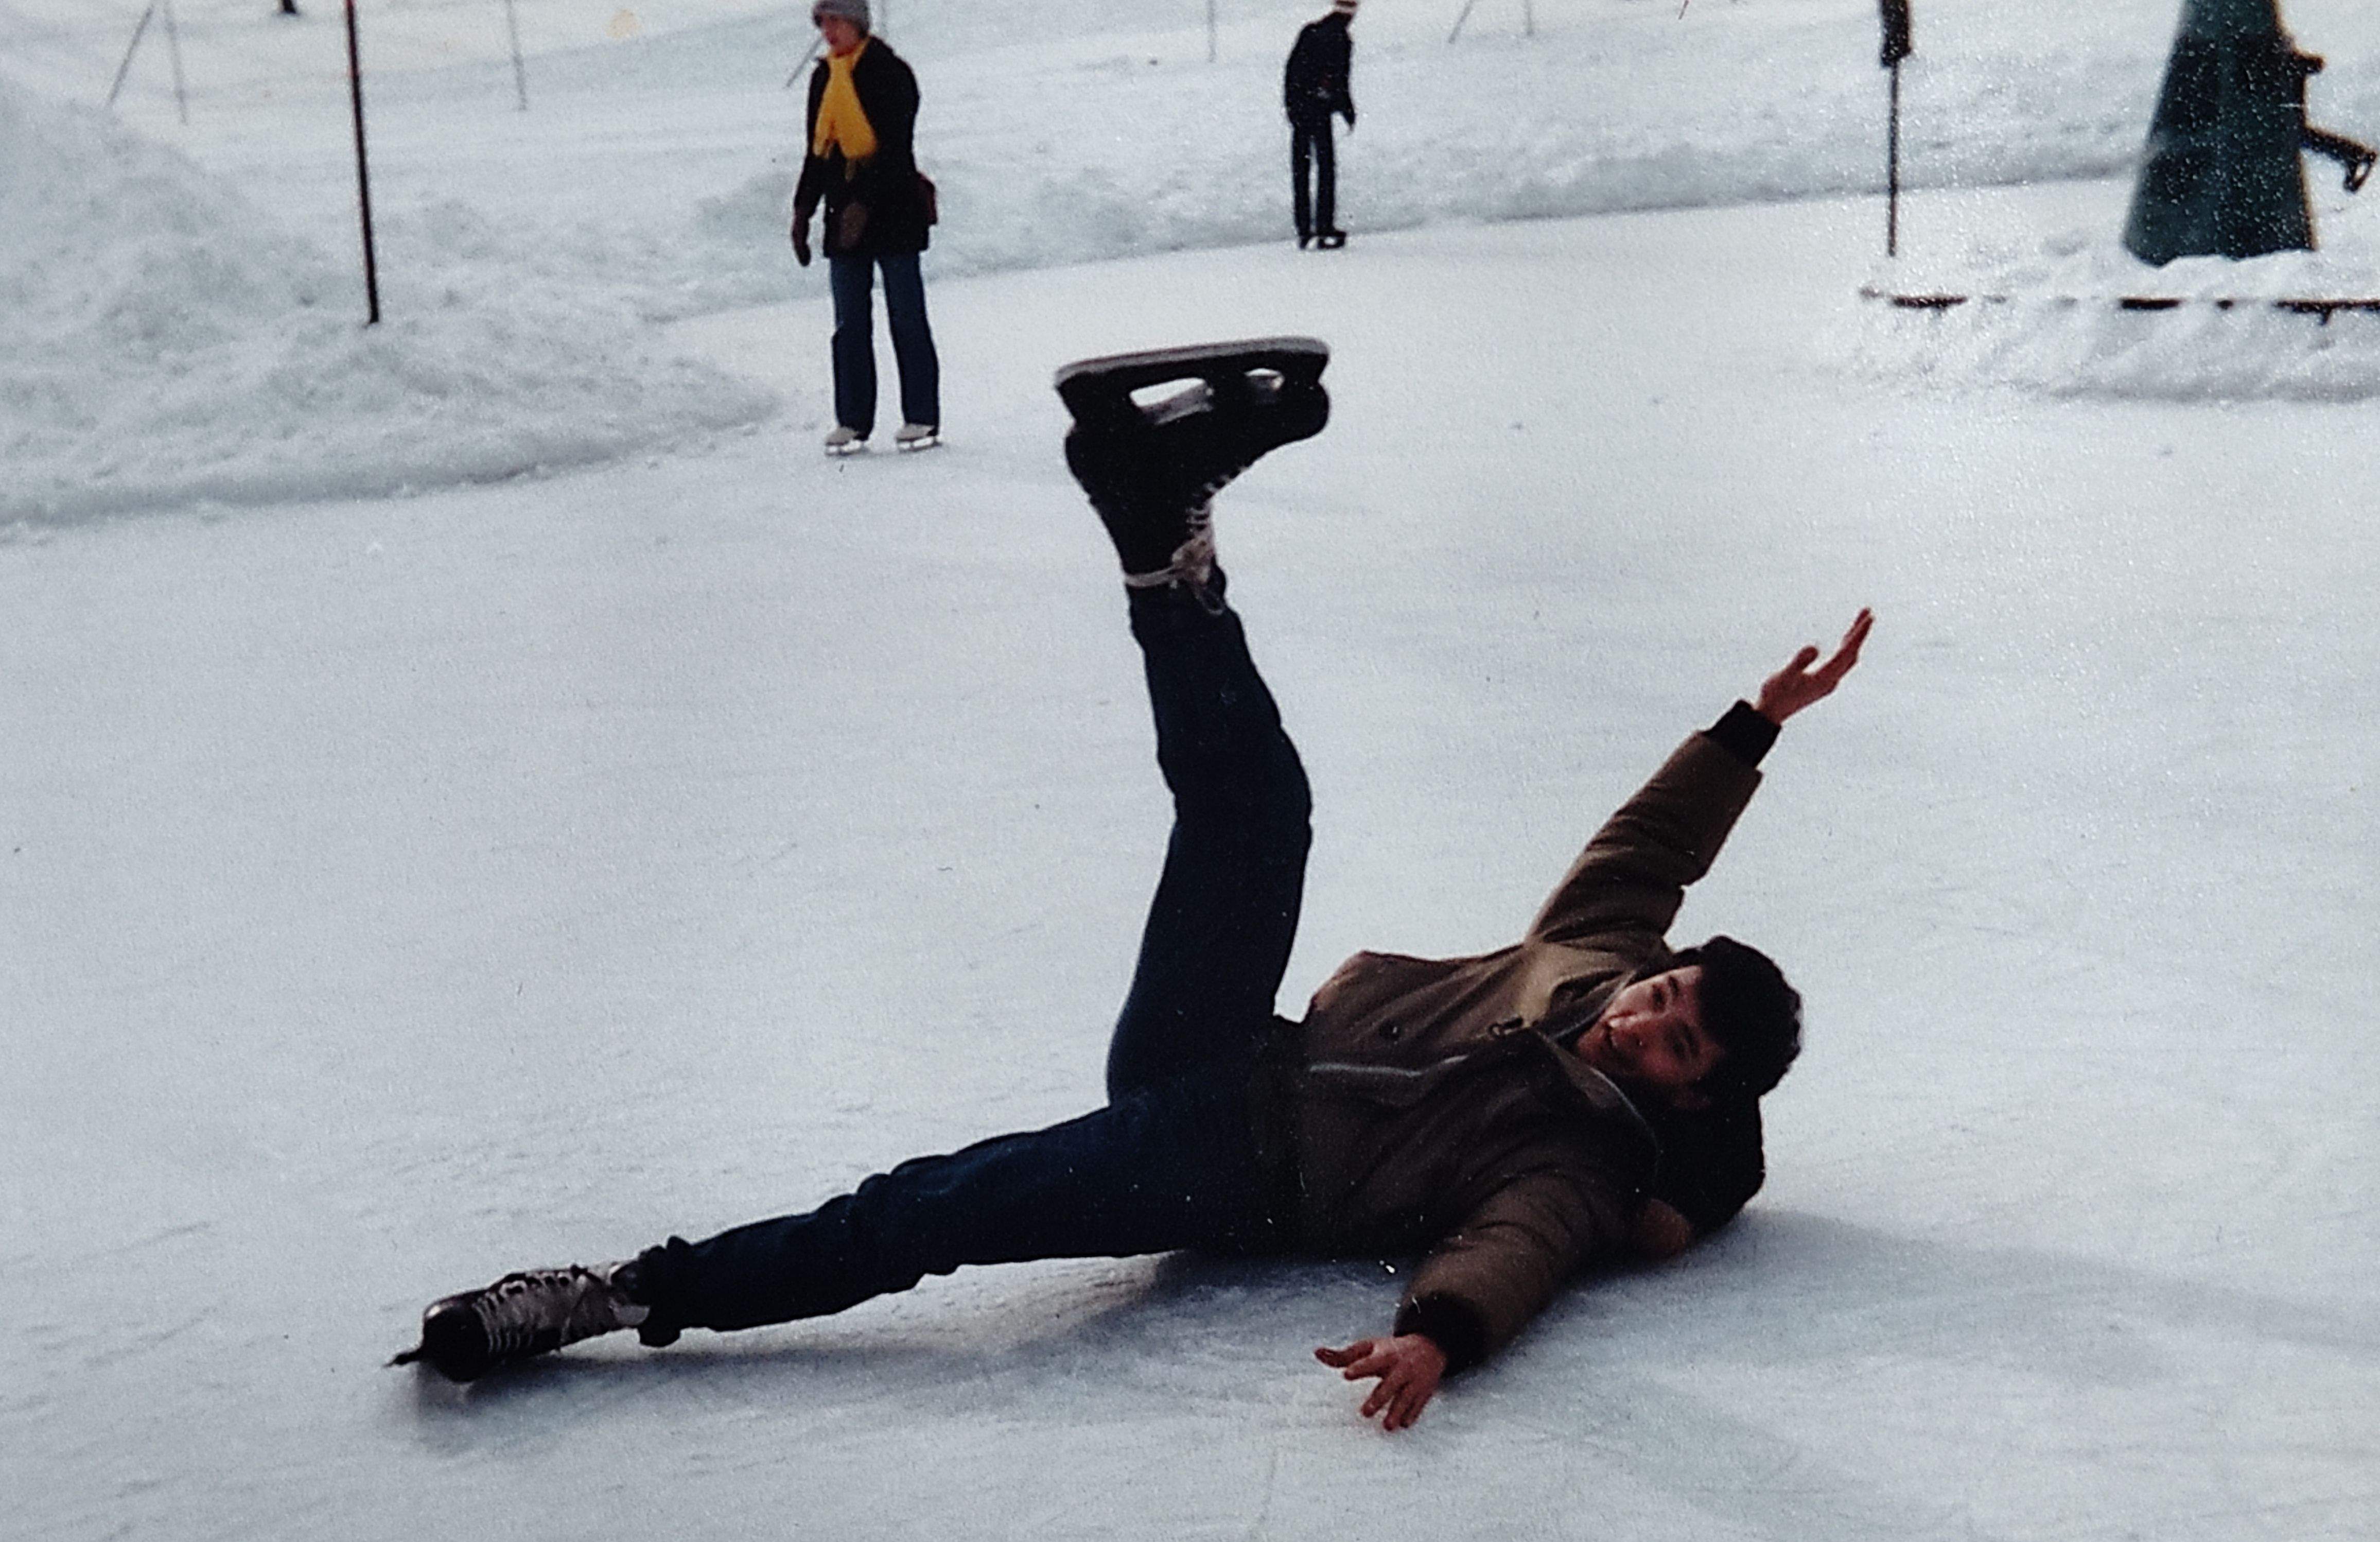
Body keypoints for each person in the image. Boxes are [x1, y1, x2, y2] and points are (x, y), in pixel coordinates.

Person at [396, 337, 1871, 1430]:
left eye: (1674, 1040)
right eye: (1664, 994)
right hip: (1235, 1044)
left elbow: (1519, 1251)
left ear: (1691, 1094)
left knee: (940, 1207)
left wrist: (1439, 1335)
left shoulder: (1587, 1163)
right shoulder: (1596, 964)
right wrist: (1755, 728)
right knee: (1261, 812)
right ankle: (1167, 546)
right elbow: (1650, 848)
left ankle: (618, 1293)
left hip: (1230, 1172)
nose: (1641, 1019)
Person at [790, 0, 941, 456]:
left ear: (858, 23)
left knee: (906, 318)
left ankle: (922, 416)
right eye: (822, 22)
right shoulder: (824, 78)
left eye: (835, 21)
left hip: (893, 211)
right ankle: (853, 420)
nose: (828, 31)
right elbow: (817, 153)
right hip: (843, 216)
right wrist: (803, 212)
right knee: (849, 323)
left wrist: (864, 205)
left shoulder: (890, 72)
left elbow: (896, 150)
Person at [1284, 0, 1359, 249]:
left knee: (1301, 169)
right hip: (1320, 112)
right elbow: (1340, 80)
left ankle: (1304, 228)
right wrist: (1348, 111)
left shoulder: (1310, 32)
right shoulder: (1342, 39)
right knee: (1326, 168)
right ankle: (1324, 225)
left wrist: (1292, 106)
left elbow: (1292, 71)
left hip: (1301, 110)